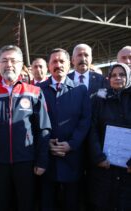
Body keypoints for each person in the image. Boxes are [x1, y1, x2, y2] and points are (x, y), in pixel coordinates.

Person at [0, 45, 51, 211]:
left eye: (13, 60)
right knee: (1, 204)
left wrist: (42, 160)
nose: (9, 64)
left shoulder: (34, 91)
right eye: (4, 60)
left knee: (26, 204)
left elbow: (43, 129)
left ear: (21, 64)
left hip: (26, 162)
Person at [39, 48, 91, 211]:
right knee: (48, 202)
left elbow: (85, 120)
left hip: (73, 157)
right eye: (54, 61)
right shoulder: (38, 89)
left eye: (62, 61)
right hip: (47, 158)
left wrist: (72, 144)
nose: (58, 65)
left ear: (69, 64)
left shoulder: (80, 90)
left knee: (72, 202)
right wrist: (46, 143)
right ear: (49, 65)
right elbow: (34, 121)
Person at [88, 63, 131, 211]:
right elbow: (92, 128)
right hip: (105, 167)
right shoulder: (100, 99)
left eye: (122, 74)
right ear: (109, 78)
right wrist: (98, 157)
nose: (117, 78)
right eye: (113, 75)